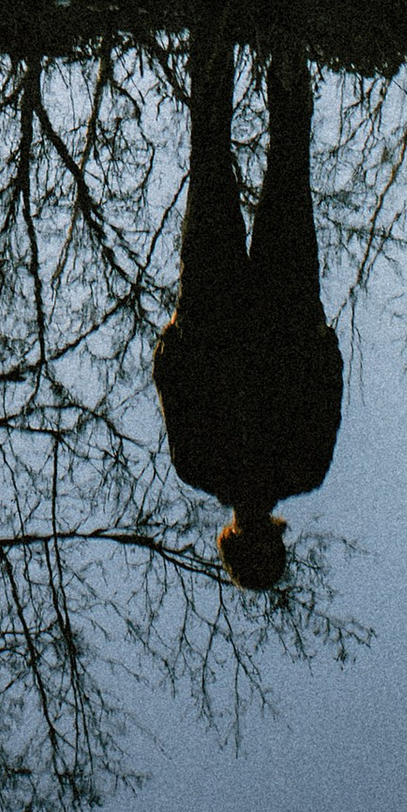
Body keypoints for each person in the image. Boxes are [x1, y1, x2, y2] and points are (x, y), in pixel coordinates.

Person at [151, 37, 343, 594]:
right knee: (210, 160)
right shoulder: (200, 468)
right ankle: (216, 39)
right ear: (229, 538)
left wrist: (316, 336)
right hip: (216, 310)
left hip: (284, 311)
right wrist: (174, 337)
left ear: (275, 539)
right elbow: (170, 378)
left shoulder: (305, 470)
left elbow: (329, 381)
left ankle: (283, 48)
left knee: (287, 169)